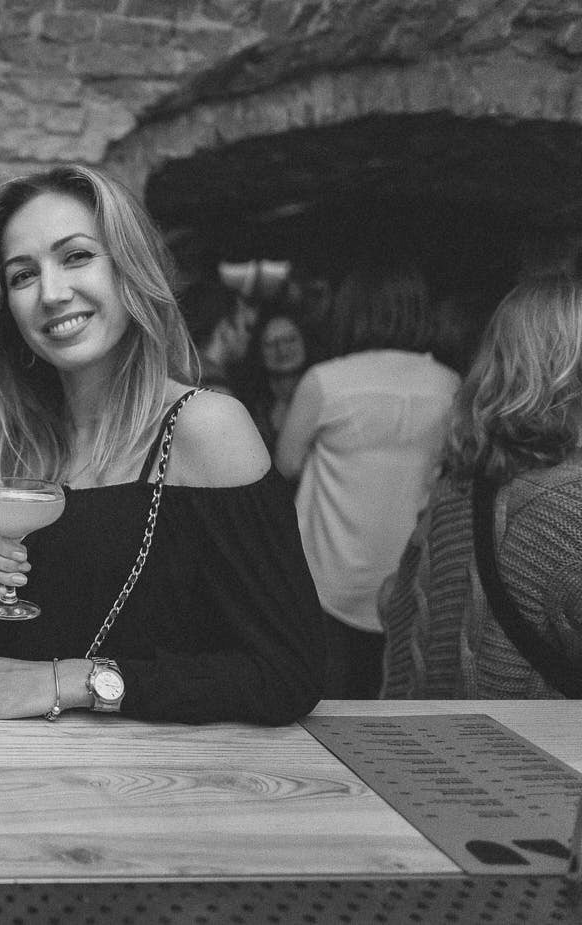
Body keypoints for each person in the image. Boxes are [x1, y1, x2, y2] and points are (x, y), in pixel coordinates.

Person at [0, 165, 322, 726]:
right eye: (23, 275)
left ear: (128, 268)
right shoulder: (8, 447)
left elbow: (287, 673)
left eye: (76, 256)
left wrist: (73, 681)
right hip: (10, 767)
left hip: (156, 774)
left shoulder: (205, 428)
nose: (51, 293)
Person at [380, 276, 582, 698]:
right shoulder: (570, 509)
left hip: (442, 735)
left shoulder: (457, 488)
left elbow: (398, 608)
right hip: (540, 742)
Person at [276, 264, 459, 699]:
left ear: (350, 313)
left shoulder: (325, 381)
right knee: (397, 705)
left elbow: (284, 464)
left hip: (328, 578)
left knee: (325, 707)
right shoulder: (449, 384)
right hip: (409, 576)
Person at [230, 305, 317, 452]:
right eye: (270, 343)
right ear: (259, 351)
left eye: (290, 340)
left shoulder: (323, 396)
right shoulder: (248, 406)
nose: (282, 350)